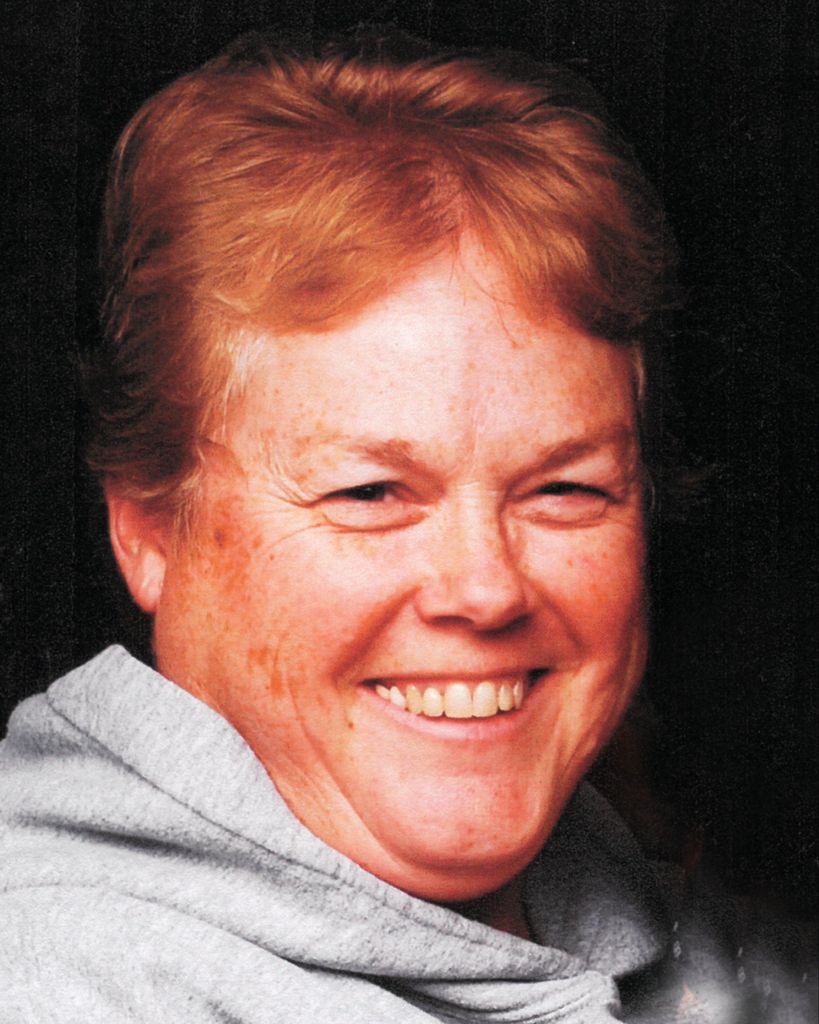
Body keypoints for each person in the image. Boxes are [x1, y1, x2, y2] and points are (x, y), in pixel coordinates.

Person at [0, 29, 813, 1024]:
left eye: (565, 489)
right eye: (371, 493)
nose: (486, 587)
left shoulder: (699, 948)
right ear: (147, 529)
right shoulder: (56, 987)